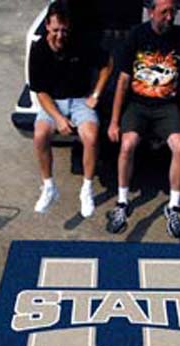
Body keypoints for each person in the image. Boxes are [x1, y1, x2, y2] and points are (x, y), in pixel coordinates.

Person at [106, 0, 180, 238]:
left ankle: (174, 208)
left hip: (167, 106)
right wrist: (114, 121)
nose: (169, 17)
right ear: (151, 13)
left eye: (173, 12)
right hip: (138, 104)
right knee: (127, 145)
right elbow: (123, 81)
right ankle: (122, 204)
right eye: (164, 12)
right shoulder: (136, 36)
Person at [29, 1, 113, 217]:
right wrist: (57, 119)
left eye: (64, 30)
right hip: (52, 102)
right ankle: (49, 187)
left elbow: (108, 64)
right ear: (47, 25)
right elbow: (40, 92)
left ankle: (86, 189)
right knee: (39, 136)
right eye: (55, 30)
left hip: (79, 100)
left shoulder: (80, 43)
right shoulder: (38, 49)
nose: (60, 36)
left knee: (91, 137)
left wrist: (96, 95)